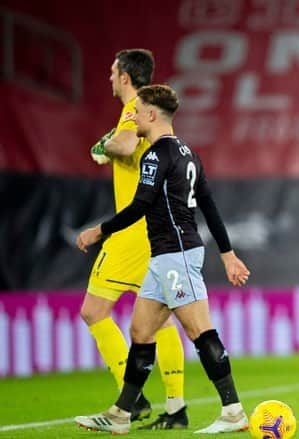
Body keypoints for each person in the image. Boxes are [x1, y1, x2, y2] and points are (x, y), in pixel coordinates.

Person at [74, 84, 252, 435]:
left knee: (198, 330)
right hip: (165, 256)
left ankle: (233, 411)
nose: (133, 117)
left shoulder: (156, 155)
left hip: (177, 255)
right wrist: (227, 254)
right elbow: (210, 207)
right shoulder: (188, 154)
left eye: (138, 112)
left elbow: (141, 205)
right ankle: (121, 414)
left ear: (152, 115)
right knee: (141, 331)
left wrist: (100, 231)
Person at [83, 48, 187, 429]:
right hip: (154, 230)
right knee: (161, 322)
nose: (110, 79)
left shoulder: (132, 110)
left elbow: (125, 146)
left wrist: (104, 145)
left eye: (113, 73)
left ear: (125, 76)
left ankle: (133, 398)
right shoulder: (149, 113)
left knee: (93, 312)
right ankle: (176, 407)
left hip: (129, 233)